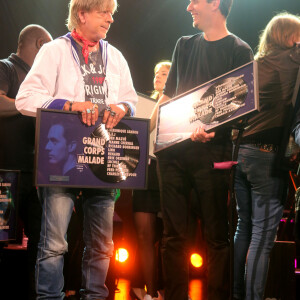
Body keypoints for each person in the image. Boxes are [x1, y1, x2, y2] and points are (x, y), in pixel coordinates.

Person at [15, 0, 137, 299]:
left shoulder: (116, 56)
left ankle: (95, 296)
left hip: (103, 157)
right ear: (81, 14)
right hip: (62, 162)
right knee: (55, 243)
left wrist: (122, 107)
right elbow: (25, 98)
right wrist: (69, 106)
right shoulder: (54, 50)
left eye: (112, 14)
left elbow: (131, 99)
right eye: (103, 12)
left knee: (103, 244)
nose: (110, 19)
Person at [150, 1, 253, 299]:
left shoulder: (239, 50)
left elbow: (238, 105)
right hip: (171, 154)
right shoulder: (183, 45)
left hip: (211, 155)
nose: (188, 7)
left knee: (216, 236)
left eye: (195, 1)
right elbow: (167, 97)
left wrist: (213, 128)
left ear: (215, 3)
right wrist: (145, 134)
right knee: (173, 237)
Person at [233, 13, 300, 300]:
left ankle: (236, 294)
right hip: (266, 154)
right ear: (290, 38)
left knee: (243, 228)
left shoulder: (256, 65)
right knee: (262, 237)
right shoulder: (291, 60)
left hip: (243, 153)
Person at [0, 24, 52, 300]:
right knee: (0, 239)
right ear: (41, 44)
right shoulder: (5, 68)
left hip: (38, 174)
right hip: (6, 171)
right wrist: (29, 103)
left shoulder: (42, 82)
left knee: (41, 241)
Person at [131, 61, 171, 300]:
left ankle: (170, 288)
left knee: (169, 236)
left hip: (168, 170)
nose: (158, 76)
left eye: (164, 73)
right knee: (144, 236)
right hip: (144, 172)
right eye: (156, 72)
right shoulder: (141, 104)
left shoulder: (179, 102)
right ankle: (150, 291)